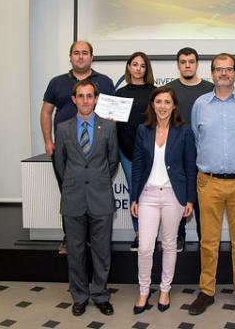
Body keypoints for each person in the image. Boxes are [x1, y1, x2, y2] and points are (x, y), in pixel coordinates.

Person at [188, 53, 235, 318]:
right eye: (218, 69)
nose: (223, 73)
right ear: (211, 73)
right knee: (208, 242)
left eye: (228, 69)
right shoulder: (200, 104)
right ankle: (206, 291)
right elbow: (197, 140)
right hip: (208, 182)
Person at [40, 41, 115, 254]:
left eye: (85, 53)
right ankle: (70, 238)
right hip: (66, 151)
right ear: (70, 57)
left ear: (92, 57)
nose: (81, 57)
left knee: (94, 196)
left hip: (97, 152)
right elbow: (46, 112)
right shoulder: (57, 83)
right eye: (76, 53)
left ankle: (93, 239)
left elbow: (113, 115)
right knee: (69, 193)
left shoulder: (105, 82)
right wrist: (48, 140)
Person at [53, 80, 119, 317]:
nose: (85, 100)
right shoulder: (62, 128)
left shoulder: (109, 128)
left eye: (89, 96)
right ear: (74, 99)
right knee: (76, 251)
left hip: (100, 197)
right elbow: (60, 164)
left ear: (96, 98)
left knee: (102, 251)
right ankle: (79, 296)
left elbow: (113, 161)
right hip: (73, 198)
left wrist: (97, 179)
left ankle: (100, 295)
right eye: (80, 96)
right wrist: (74, 181)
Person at [130, 86, 197, 314]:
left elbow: (190, 166)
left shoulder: (184, 131)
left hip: (173, 196)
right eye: (158, 101)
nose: (162, 106)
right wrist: (135, 197)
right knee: (145, 247)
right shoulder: (143, 130)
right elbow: (137, 166)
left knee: (169, 245)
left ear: (174, 106)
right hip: (147, 195)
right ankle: (144, 291)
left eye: (167, 102)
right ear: (152, 104)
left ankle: (165, 289)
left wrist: (189, 199)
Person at [166, 47, 214, 251]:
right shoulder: (169, 89)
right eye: (183, 62)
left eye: (191, 61)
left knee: (204, 201)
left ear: (197, 64)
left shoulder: (210, 89)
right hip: (176, 154)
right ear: (178, 65)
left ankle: (206, 241)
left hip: (205, 154)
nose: (187, 65)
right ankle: (179, 238)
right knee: (178, 197)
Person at [115, 52, 156, 251]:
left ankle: (154, 234)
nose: (139, 68)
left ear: (146, 69)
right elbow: (114, 124)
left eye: (142, 65)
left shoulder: (155, 92)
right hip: (126, 150)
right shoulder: (119, 94)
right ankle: (140, 234)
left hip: (151, 151)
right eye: (135, 64)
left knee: (155, 193)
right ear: (129, 67)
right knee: (136, 192)